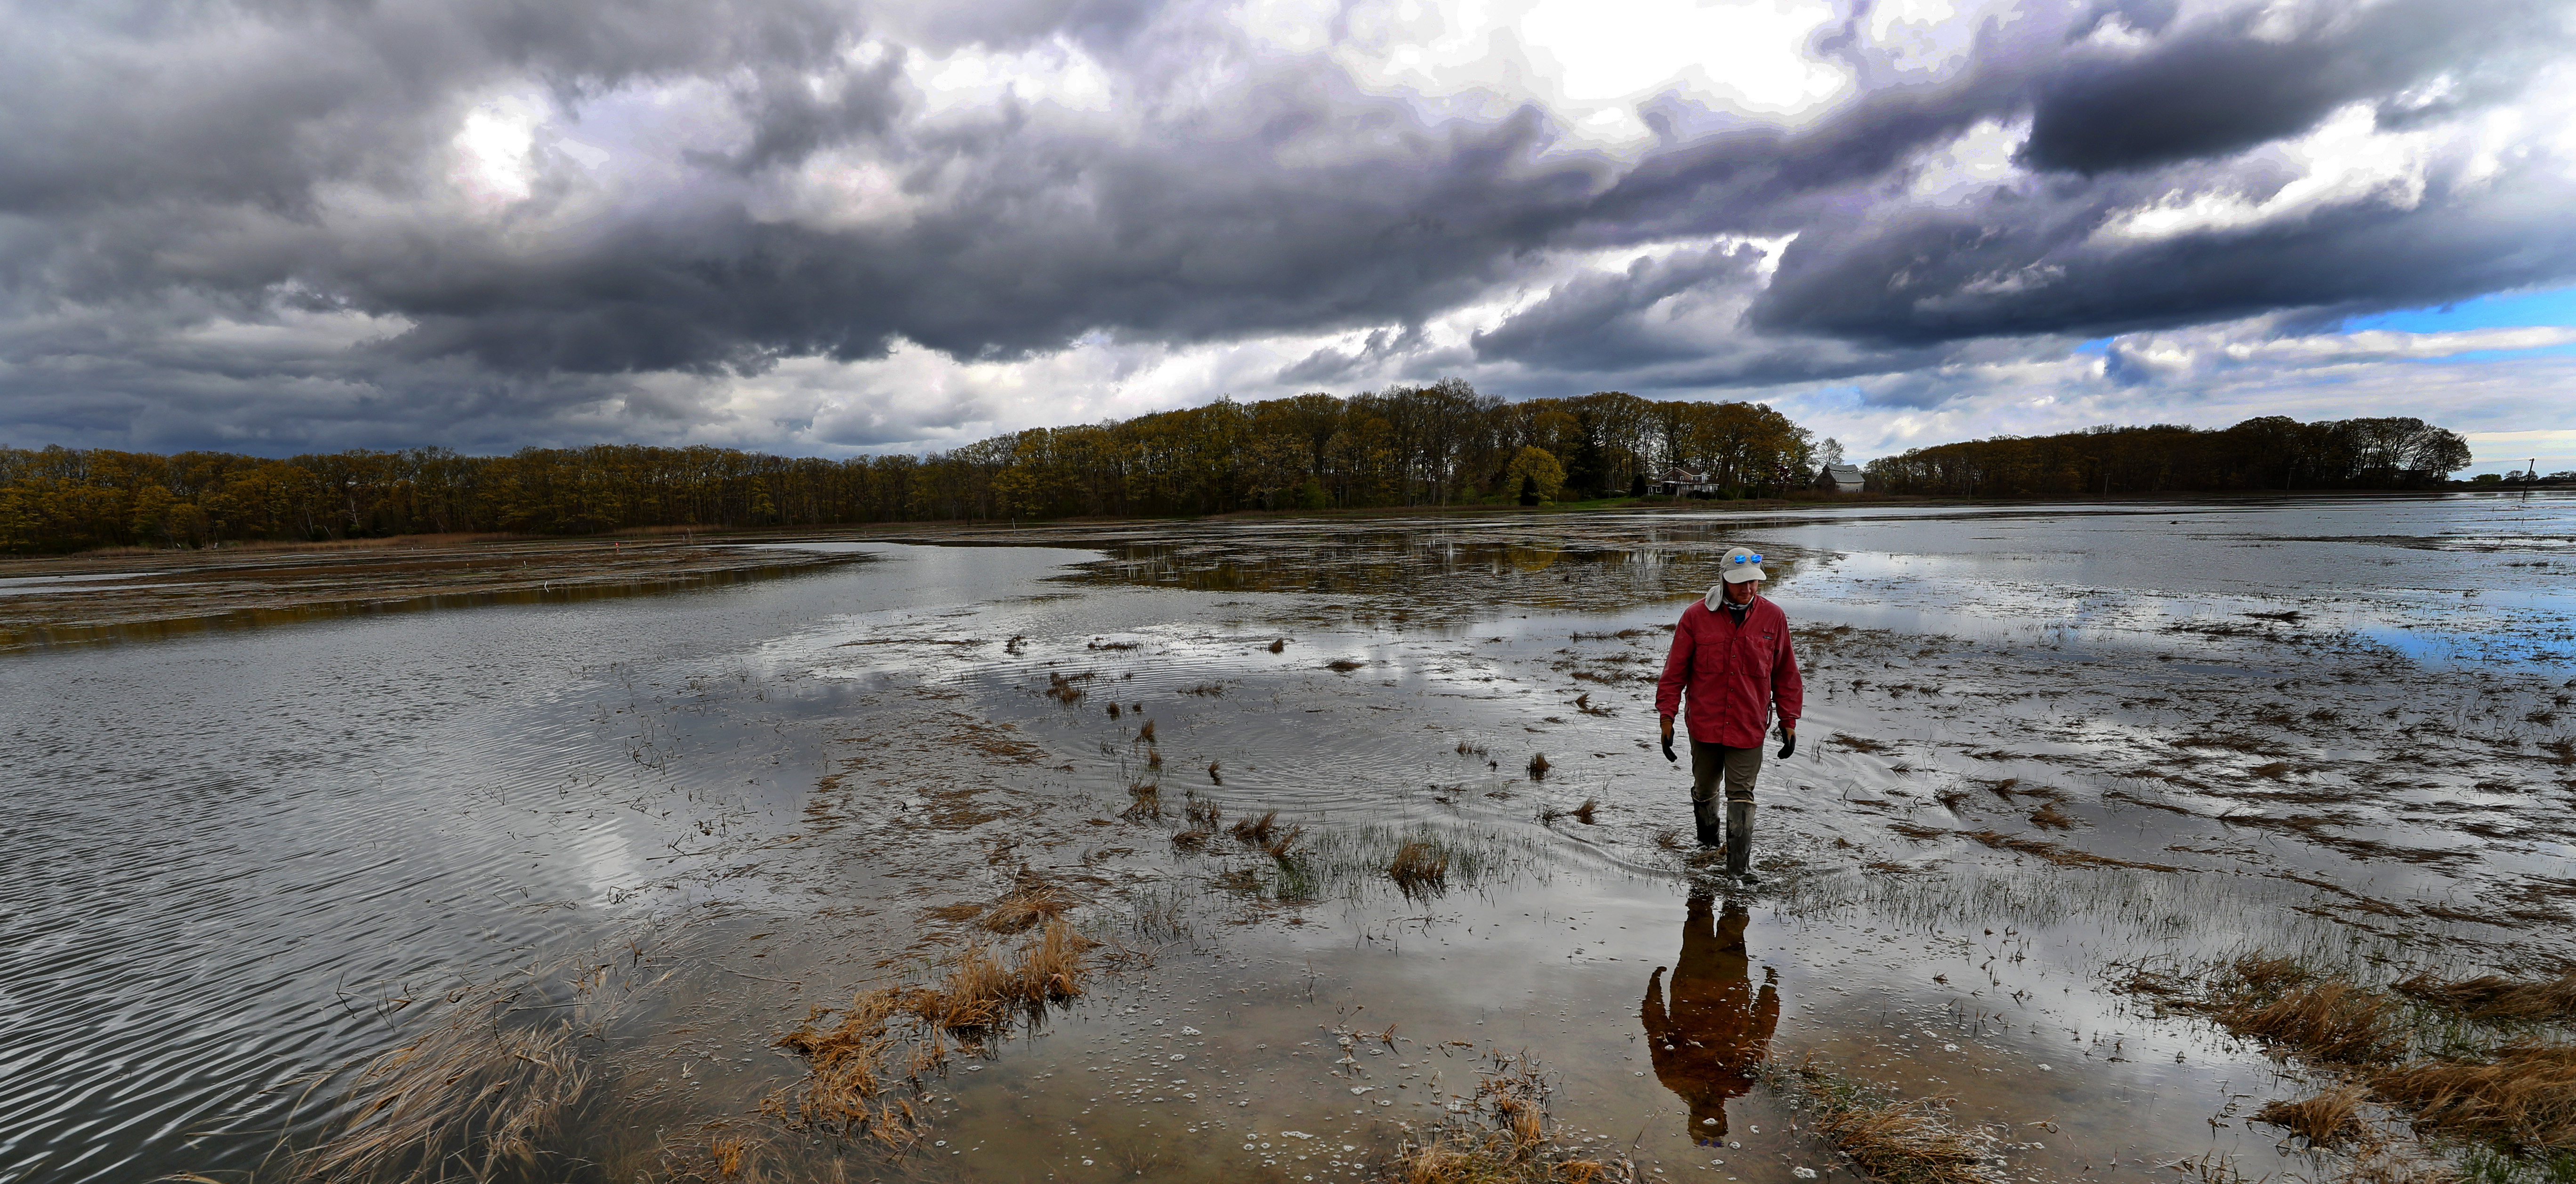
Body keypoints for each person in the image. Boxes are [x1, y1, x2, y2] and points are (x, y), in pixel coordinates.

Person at [1656, 545, 1802, 883]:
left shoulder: (1774, 618)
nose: (1747, 589)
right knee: (1705, 789)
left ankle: (1738, 872)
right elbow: (1674, 672)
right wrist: (1667, 719)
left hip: (1748, 726)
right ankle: (1707, 848)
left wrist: (1789, 721)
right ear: (1722, 579)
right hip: (1704, 725)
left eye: (1753, 582)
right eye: (1740, 582)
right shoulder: (1695, 617)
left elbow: (1786, 675)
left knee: (1741, 795)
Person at [1641, 893, 1779, 1142]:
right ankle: (1731, 874)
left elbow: (1656, 1029)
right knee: (1734, 920)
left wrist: (1654, 992)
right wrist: (1769, 992)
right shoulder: (1738, 1084)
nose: (1708, 1117)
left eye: (1702, 1124)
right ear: (1724, 1118)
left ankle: (1710, 862)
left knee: (1698, 913)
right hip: (1730, 983)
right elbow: (1759, 1035)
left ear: (1691, 1119)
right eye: (1715, 1124)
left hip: (1692, 981)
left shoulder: (1673, 1078)